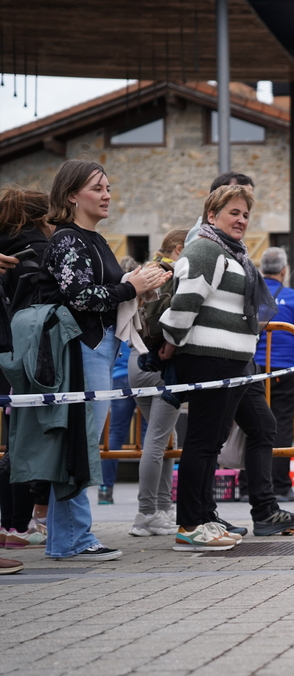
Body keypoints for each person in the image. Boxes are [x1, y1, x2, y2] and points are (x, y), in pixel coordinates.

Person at [160, 185, 294, 550]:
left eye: (245, 214)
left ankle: (205, 518)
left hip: (231, 361)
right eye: (233, 213)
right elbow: (184, 303)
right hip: (210, 359)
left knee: (215, 440)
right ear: (212, 216)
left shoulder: (231, 253)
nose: (241, 220)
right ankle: (191, 524)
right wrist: (171, 342)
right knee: (203, 441)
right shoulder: (206, 249)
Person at [35, 161, 169, 559]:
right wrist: (131, 287)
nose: (107, 194)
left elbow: (96, 294)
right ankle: (74, 539)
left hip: (95, 347)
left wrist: (137, 286)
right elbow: (79, 297)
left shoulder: (92, 239)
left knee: (81, 444)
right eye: (97, 188)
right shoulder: (68, 240)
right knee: (81, 444)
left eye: (108, 187)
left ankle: (66, 539)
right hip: (80, 347)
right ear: (71, 195)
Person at [0, 187, 51, 552]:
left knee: (15, 443)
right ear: (42, 217)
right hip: (29, 357)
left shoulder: (7, 250)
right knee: (28, 445)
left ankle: (12, 525)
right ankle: (18, 524)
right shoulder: (38, 251)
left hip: (9, 356)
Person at [127, 229, 186, 537]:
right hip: (160, 361)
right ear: (179, 248)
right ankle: (147, 512)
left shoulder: (146, 271)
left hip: (136, 360)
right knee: (158, 440)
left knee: (164, 437)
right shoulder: (172, 274)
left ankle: (161, 509)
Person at [254, 247, 294, 503]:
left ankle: (246, 485)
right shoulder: (293, 297)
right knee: (282, 425)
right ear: (284, 271)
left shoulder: (252, 294)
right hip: (284, 370)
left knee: (249, 425)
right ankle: (279, 486)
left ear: (261, 270)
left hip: (253, 370)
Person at [99, 255, 142, 505]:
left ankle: (106, 489)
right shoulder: (140, 301)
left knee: (115, 432)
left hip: (118, 374)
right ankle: (149, 492)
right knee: (149, 432)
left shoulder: (110, 301)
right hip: (141, 370)